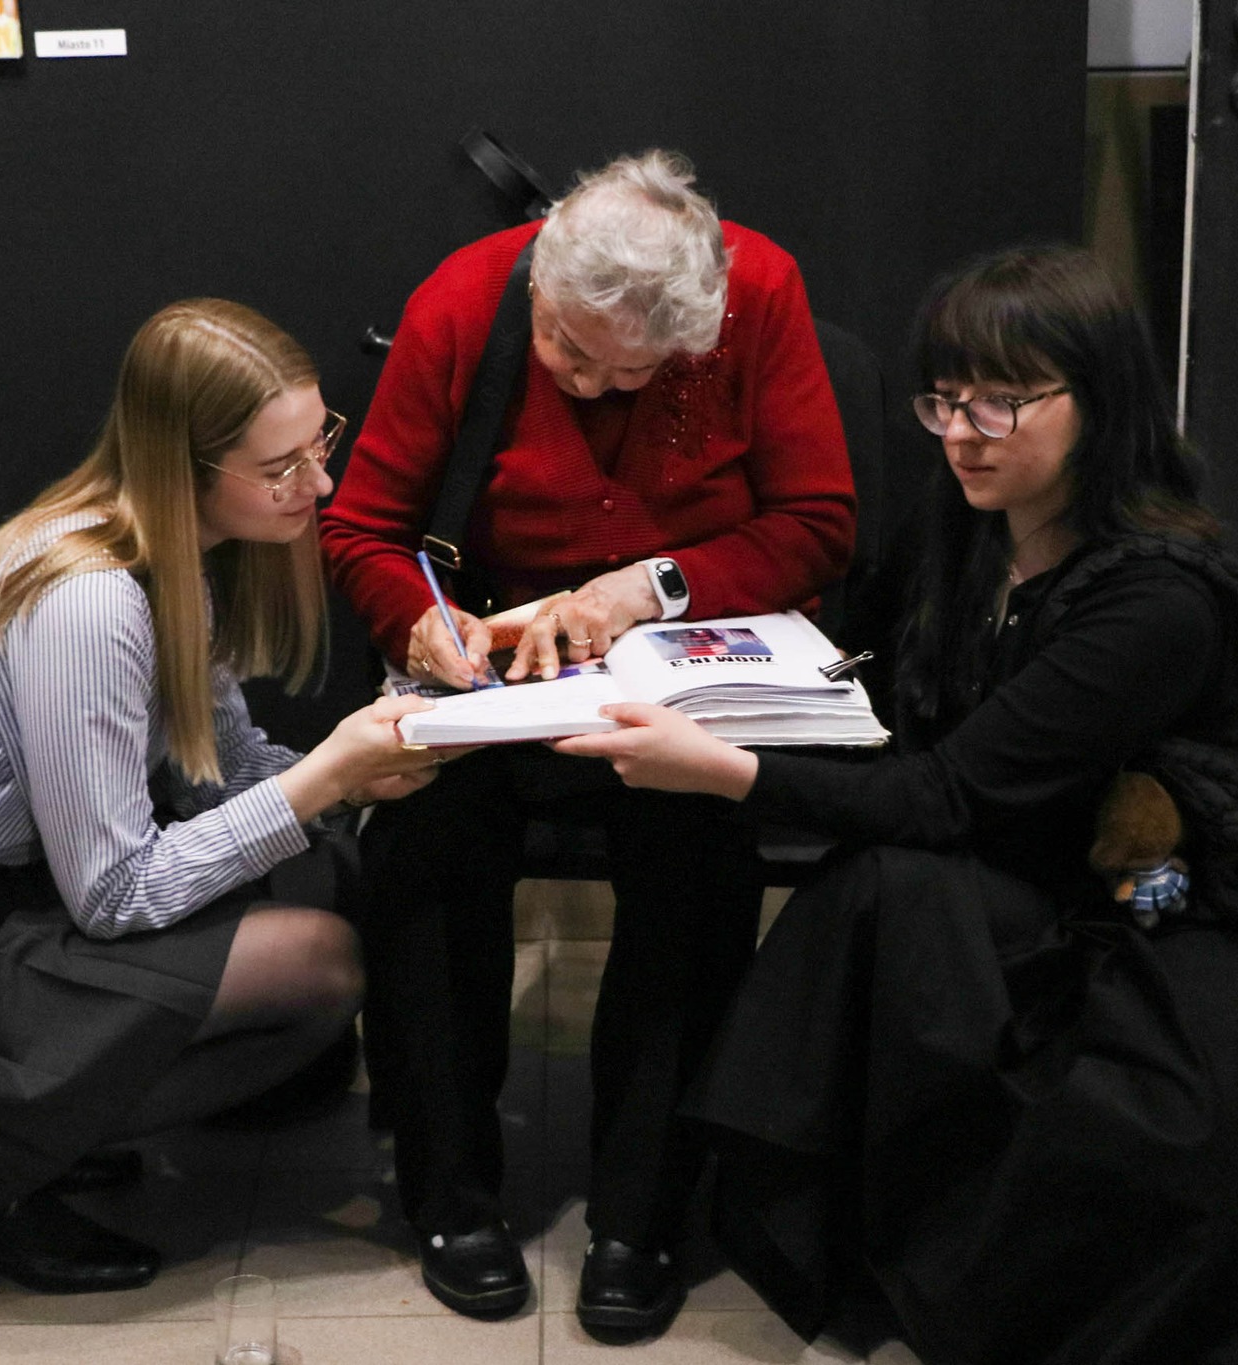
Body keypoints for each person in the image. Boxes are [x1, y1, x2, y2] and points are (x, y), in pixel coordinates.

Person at [555, 245, 1238, 1362]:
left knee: (889, 888)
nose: (962, 434)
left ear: (1100, 400)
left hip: (1142, 920)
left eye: (1002, 402)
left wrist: (724, 765)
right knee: (872, 885)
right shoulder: (970, 526)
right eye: (943, 400)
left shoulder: (1152, 600)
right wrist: (689, 669)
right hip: (1011, 865)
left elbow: (947, 795)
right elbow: (859, 667)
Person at [0, 299, 441, 1295]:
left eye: (319, 442)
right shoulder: (90, 598)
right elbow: (114, 894)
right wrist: (324, 778)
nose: (319, 483)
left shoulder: (170, 557)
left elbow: (222, 766)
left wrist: (375, 763)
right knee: (318, 962)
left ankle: (41, 1134)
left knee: (330, 870)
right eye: (280, 465)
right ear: (185, 466)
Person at [319, 149, 854, 1337]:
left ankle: (641, 1212)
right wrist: (422, 624)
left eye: (632, 371)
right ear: (540, 285)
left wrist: (648, 588)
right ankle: (450, 1194)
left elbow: (817, 523)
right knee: (425, 840)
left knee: (695, 856)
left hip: (672, 651)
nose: (595, 386)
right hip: (493, 649)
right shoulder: (465, 297)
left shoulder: (759, 291)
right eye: (569, 352)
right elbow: (361, 528)